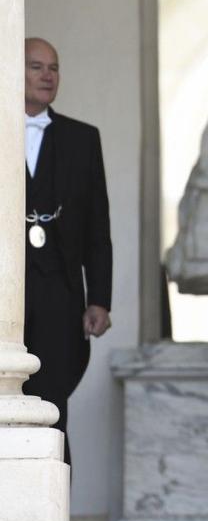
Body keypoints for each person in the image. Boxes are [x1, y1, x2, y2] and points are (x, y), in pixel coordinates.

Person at [22, 37, 113, 468]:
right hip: (7, 298)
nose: (47, 75)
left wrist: (99, 298)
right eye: (36, 66)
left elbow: (98, 228)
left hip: (60, 297)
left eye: (53, 68)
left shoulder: (82, 138)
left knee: (52, 409)